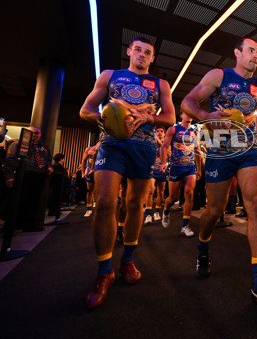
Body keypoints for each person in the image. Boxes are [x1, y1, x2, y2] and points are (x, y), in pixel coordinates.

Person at [181, 37, 257, 318]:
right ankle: (203, 248)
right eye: (251, 50)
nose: (256, 56)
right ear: (237, 53)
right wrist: (207, 115)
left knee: (255, 202)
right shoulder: (219, 76)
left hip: (248, 150)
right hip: (218, 151)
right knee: (214, 211)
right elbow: (188, 101)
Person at [79, 36, 175, 309]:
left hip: (143, 147)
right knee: (106, 202)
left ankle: (128, 260)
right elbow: (85, 109)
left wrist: (149, 118)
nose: (143, 55)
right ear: (129, 52)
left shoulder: (160, 84)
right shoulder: (111, 76)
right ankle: (103, 271)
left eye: (148, 53)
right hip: (113, 144)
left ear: (152, 58)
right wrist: (108, 117)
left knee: (136, 204)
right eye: (138, 51)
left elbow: (170, 117)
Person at [3, 126, 53, 231]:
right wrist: (9, 176)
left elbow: (48, 158)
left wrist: (49, 166)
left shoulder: (43, 147)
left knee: (34, 200)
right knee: (19, 200)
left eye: (37, 133)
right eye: (33, 133)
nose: (35, 135)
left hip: (38, 176)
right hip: (24, 175)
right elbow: (9, 161)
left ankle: (28, 224)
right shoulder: (17, 144)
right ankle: (13, 225)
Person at [159, 112, 201, 235]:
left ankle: (185, 226)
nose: (188, 115)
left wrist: (199, 168)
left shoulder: (195, 131)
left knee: (189, 194)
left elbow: (197, 150)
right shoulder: (173, 129)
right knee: (173, 198)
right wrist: (163, 163)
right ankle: (166, 210)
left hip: (190, 168)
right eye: (185, 114)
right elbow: (164, 146)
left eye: (190, 114)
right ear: (181, 115)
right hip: (176, 167)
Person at [145, 126, 167, 224]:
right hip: (152, 170)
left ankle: (157, 212)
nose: (159, 133)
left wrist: (160, 143)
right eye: (157, 131)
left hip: (162, 170)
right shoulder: (151, 142)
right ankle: (148, 214)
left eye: (161, 131)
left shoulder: (166, 144)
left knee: (160, 192)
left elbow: (169, 154)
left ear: (164, 133)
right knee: (149, 191)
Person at [80, 141, 100, 218]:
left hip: (100, 171)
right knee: (89, 190)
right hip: (90, 172)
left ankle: (98, 207)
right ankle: (88, 209)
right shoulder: (89, 149)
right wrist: (82, 172)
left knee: (100, 191)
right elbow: (84, 161)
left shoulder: (106, 148)